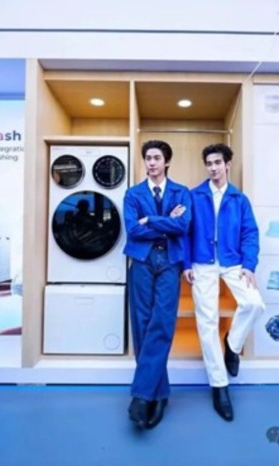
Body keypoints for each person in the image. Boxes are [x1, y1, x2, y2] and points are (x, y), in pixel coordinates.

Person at [183, 143, 265, 422]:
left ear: (227, 165)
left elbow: (250, 233)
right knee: (206, 321)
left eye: (217, 162)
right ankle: (219, 386)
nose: (213, 168)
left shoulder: (239, 199)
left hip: (232, 262)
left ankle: (232, 343)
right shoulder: (194, 196)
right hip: (202, 262)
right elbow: (185, 232)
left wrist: (249, 265)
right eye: (209, 163)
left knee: (254, 303)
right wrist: (186, 264)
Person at [123, 140, 191, 429]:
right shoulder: (133, 193)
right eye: (148, 158)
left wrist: (151, 218)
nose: (151, 162)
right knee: (142, 323)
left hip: (170, 262)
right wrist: (166, 223)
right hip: (141, 261)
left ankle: (141, 396)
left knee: (162, 321)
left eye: (156, 158)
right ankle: (158, 394)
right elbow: (132, 230)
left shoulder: (181, 192)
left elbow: (183, 226)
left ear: (167, 162)